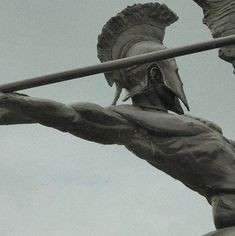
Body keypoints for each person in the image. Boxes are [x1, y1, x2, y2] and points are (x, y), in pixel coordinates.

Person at [1, 3, 235, 230]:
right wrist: (9, 100)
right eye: (174, 66)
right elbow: (67, 116)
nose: (177, 73)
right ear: (155, 74)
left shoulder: (196, 123)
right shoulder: (131, 122)